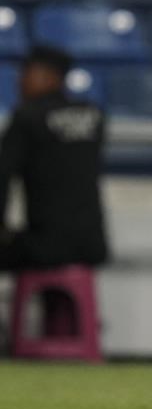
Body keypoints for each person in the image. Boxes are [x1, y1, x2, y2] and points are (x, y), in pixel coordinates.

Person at [0, 45, 107, 273]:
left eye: (27, 73)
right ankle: (59, 309)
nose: (19, 81)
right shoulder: (94, 116)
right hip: (94, 245)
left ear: (50, 77)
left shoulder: (28, 117)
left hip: (43, 246)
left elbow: (1, 176)